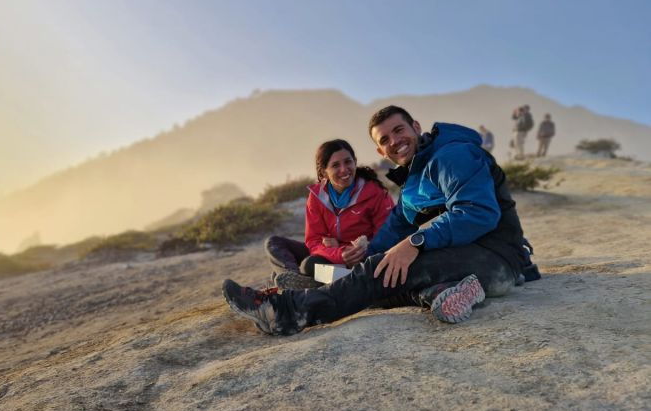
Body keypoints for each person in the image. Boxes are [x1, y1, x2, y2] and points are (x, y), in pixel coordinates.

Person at [223, 105, 536, 334]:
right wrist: (358, 265)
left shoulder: (451, 156)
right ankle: (444, 290)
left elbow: (478, 213)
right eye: (385, 139)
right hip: (465, 261)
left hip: (498, 259)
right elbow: (395, 228)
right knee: (380, 272)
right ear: (379, 149)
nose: (394, 141)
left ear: (415, 126)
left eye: (398, 130)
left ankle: (286, 313)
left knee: (384, 270)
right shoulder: (414, 181)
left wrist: (416, 242)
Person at [265, 139, 395, 289]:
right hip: (334, 257)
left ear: (355, 162)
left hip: (364, 258)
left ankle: (326, 282)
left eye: (348, 162)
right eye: (335, 165)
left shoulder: (375, 192)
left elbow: (387, 237)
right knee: (274, 243)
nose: (344, 169)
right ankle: (294, 279)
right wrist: (338, 253)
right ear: (323, 171)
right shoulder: (317, 197)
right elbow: (313, 241)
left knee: (309, 265)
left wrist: (351, 252)